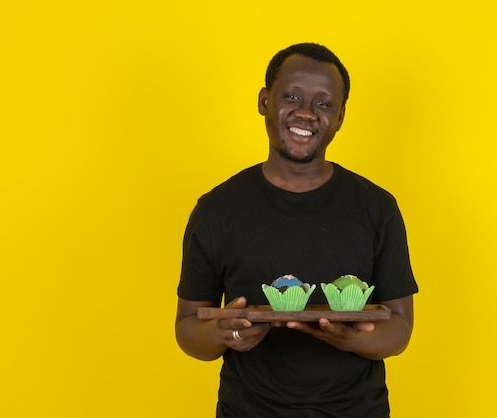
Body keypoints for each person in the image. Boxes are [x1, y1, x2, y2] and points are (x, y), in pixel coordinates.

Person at [175, 42, 418, 418]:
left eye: (324, 103)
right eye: (291, 96)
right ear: (264, 101)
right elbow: (189, 328)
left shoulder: (377, 208)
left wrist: (353, 338)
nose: (306, 113)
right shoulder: (217, 210)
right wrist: (223, 334)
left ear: (340, 117)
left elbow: (400, 327)